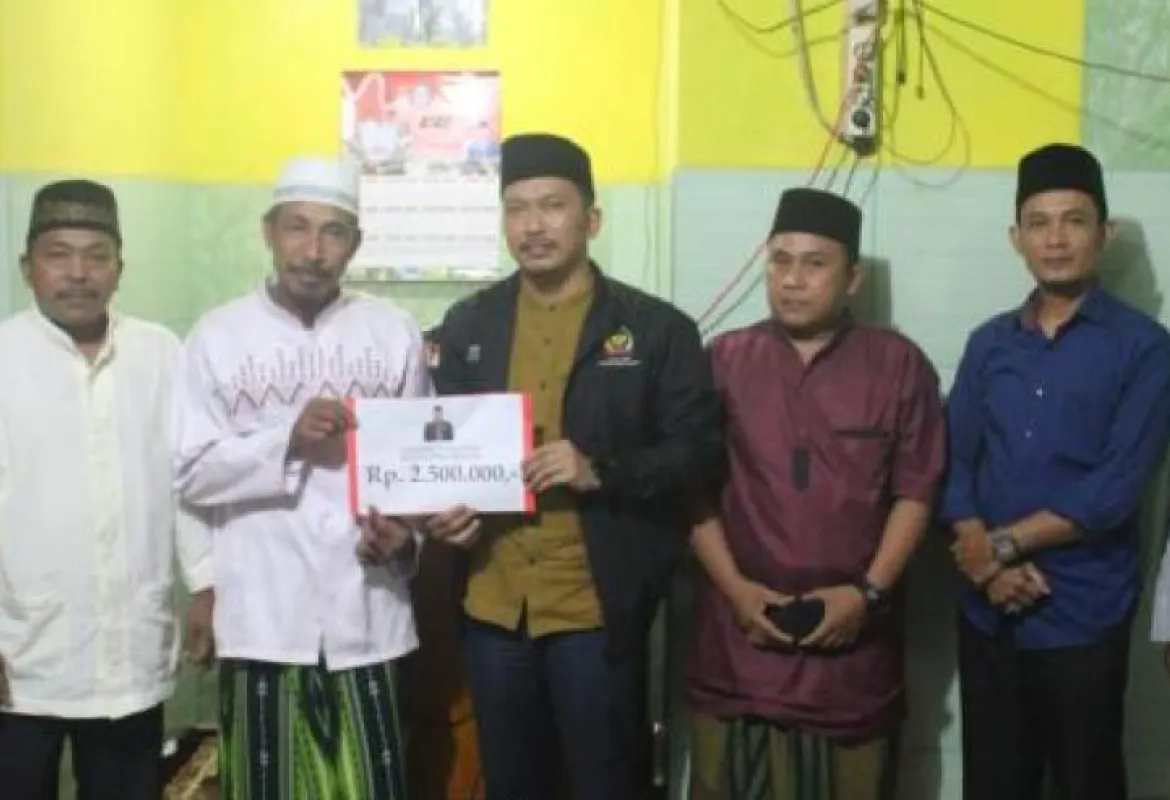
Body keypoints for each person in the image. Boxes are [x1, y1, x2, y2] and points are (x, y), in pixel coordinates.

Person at [427, 132, 725, 800]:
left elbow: (700, 453)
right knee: (512, 783)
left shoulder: (655, 330)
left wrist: (600, 471)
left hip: (596, 609)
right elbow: (442, 450)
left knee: (606, 782)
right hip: (494, 605)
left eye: (552, 206)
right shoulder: (469, 324)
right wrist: (446, 512)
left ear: (591, 219)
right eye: (516, 208)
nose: (533, 226)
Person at [173, 157, 433, 800]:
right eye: (297, 227)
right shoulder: (217, 336)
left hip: (367, 611)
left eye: (333, 232)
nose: (313, 251)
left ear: (355, 244)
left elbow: (421, 470)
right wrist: (285, 441)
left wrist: (407, 540)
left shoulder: (392, 333)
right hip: (262, 615)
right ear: (269, 232)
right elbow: (190, 472)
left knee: (374, 785)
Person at [684, 187, 946, 800]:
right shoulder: (724, 360)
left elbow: (917, 492)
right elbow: (691, 494)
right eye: (780, 261)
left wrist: (867, 594)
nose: (792, 280)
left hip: (852, 650)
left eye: (814, 263)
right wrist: (737, 591)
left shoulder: (898, 365)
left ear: (852, 279)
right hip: (740, 641)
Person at [942, 143, 1170, 800]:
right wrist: (985, 563)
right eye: (1038, 223)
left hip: (1083, 609)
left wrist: (998, 547)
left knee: (1086, 781)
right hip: (988, 612)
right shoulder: (990, 343)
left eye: (1074, 220)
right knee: (993, 783)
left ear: (1105, 233)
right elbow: (953, 460)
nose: (1056, 239)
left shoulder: (1145, 348)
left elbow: (1116, 487)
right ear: (1016, 238)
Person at [0, 179, 214, 800]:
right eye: (58, 255)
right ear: (27, 267)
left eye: (97, 255)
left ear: (121, 267)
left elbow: (188, 477)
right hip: (21, 655)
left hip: (131, 648)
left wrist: (205, 584)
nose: (78, 273)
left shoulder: (159, 353)